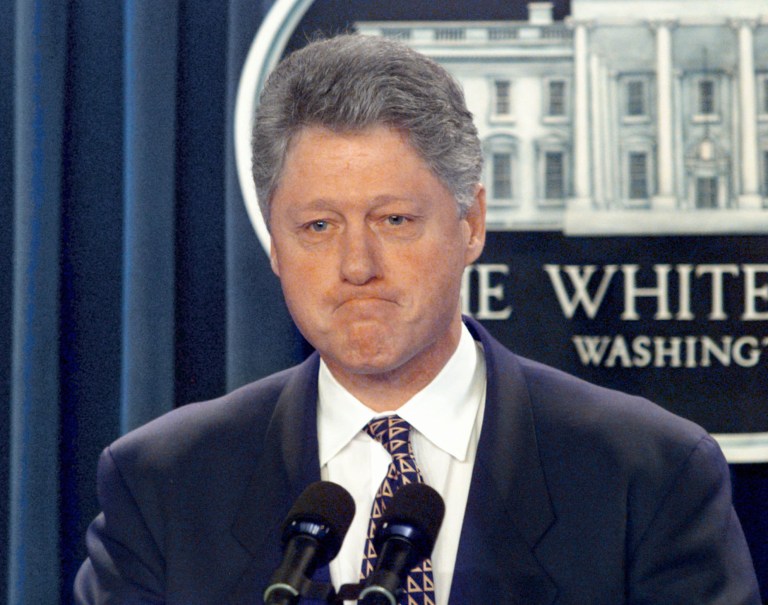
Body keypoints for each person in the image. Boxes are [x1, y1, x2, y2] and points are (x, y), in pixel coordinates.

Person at [74, 34, 761, 605]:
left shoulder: (648, 474)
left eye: (394, 219)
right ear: (275, 246)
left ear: (472, 224)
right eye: (318, 225)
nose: (356, 265)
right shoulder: (163, 485)